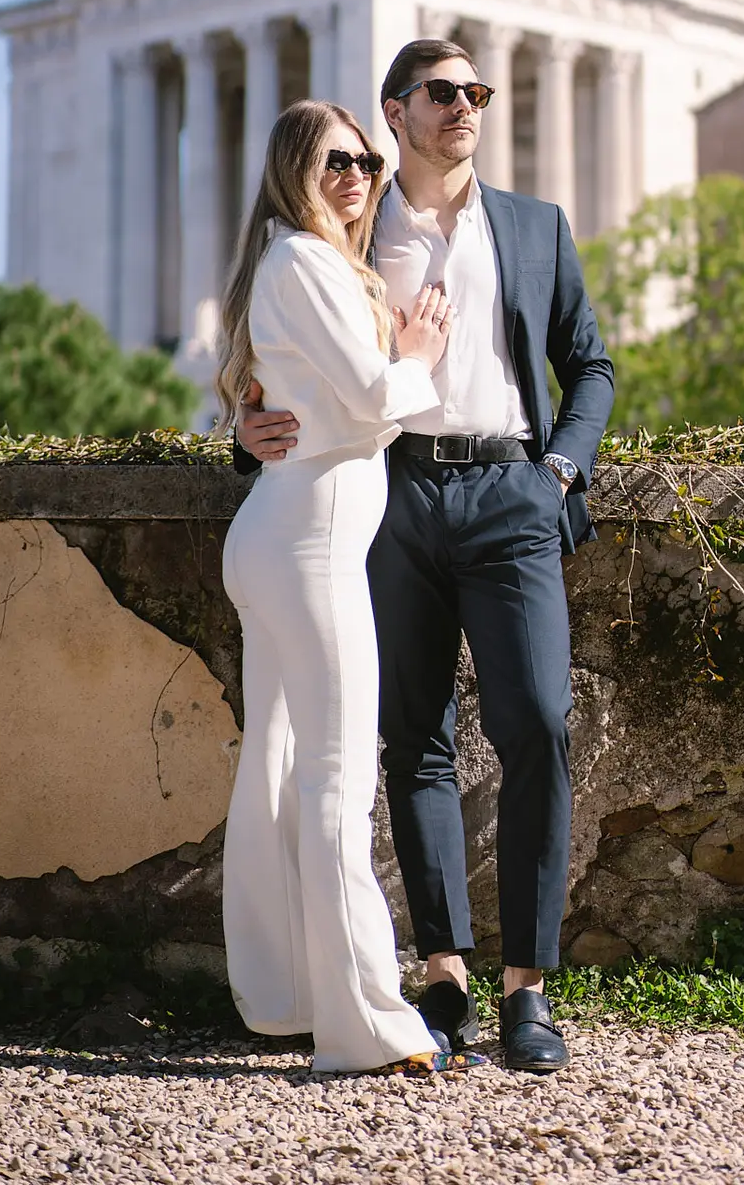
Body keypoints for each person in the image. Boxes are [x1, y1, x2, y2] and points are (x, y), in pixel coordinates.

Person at [237, 39, 615, 1074]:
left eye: (475, 93)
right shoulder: (346, 224)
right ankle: (443, 976)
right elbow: (285, 347)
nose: (464, 107)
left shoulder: (534, 226)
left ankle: (527, 992)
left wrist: (560, 473)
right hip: (388, 495)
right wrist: (248, 421)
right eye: (442, 93)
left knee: (536, 721)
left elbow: (588, 363)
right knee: (412, 737)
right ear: (394, 111)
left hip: (509, 493)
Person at [217, 97, 466, 1075]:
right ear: (292, 171)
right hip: (307, 544)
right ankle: (364, 1025)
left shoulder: (302, 263)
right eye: (335, 161)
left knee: (285, 778)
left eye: (366, 159)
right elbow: (371, 398)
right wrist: (416, 360)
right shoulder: (305, 262)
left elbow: (290, 398)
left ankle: (291, 996)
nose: (358, 175)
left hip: (288, 537)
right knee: (333, 781)